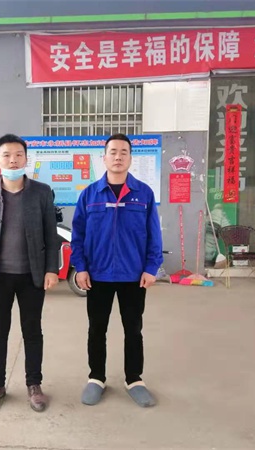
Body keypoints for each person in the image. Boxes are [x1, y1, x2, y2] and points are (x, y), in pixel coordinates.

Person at [70, 133, 163, 408]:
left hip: (133, 276)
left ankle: (134, 379)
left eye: (124, 152)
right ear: (104, 157)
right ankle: (96, 377)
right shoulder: (89, 195)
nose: (118, 156)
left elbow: (153, 235)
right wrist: (80, 268)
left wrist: (151, 267)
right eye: (113, 152)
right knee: (97, 329)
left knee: (133, 329)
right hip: (97, 275)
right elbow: (78, 235)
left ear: (131, 158)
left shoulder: (144, 194)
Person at [0, 133, 59, 413]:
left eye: (19, 155)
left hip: (32, 275)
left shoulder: (42, 192)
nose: (13, 160)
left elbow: (51, 235)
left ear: (26, 159)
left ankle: (34, 385)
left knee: (32, 331)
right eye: (6, 155)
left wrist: (51, 269)